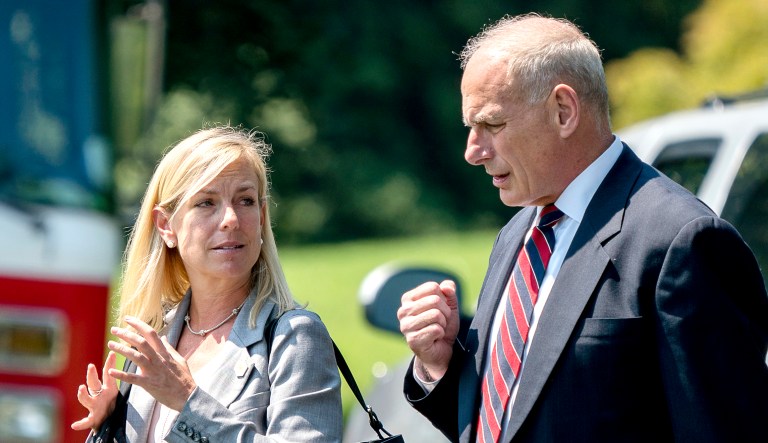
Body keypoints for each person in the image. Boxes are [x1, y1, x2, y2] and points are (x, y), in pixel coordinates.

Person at [397, 13, 768, 443]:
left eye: (492, 125)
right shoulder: (518, 233)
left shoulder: (682, 242)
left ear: (563, 110)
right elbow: (512, 423)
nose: (473, 151)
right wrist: (439, 366)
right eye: (471, 128)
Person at [71, 126, 342, 442]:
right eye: (206, 202)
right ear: (165, 226)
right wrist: (111, 426)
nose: (230, 218)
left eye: (245, 200)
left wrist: (189, 401)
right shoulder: (152, 338)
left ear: (262, 215)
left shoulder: (295, 336)